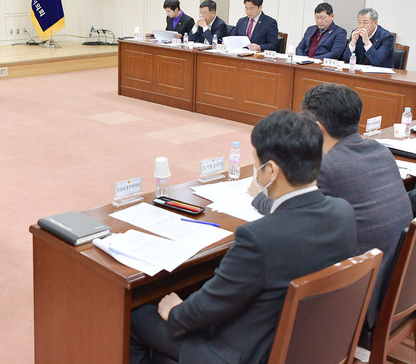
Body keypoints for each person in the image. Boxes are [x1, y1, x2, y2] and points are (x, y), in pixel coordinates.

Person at [129, 110, 356, 364]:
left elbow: (211, 305)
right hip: (306, 344)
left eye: (256, 162)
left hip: (245, 354)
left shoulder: (259, 238)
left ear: (271, 170)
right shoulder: (344, 213)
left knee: (138, 318)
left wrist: (176, 313)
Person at [251, 83, 412, 328]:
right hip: (399, 289)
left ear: (317, 129)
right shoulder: (380, 150)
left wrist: (258, 194)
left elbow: (289, 208)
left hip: (360, 300)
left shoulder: (327, 168)